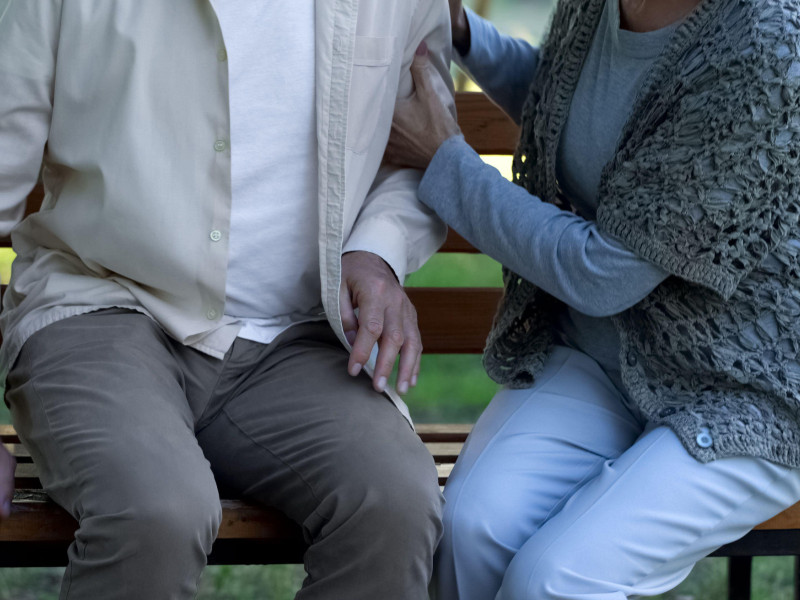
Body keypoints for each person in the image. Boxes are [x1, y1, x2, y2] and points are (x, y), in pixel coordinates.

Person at [0, 0, 455, 598]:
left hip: (294, 340)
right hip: (100, 306)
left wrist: (376, 251)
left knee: (394, 502)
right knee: (157, 510)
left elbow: (423, 148)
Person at [385, 0, 800, 598]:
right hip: (604, 358)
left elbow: (601, 274)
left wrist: (445, 161)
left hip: (740, 389)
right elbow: (570, 103)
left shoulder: (768, 45)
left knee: (553, 579)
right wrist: (465, 34)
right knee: (470, 529)